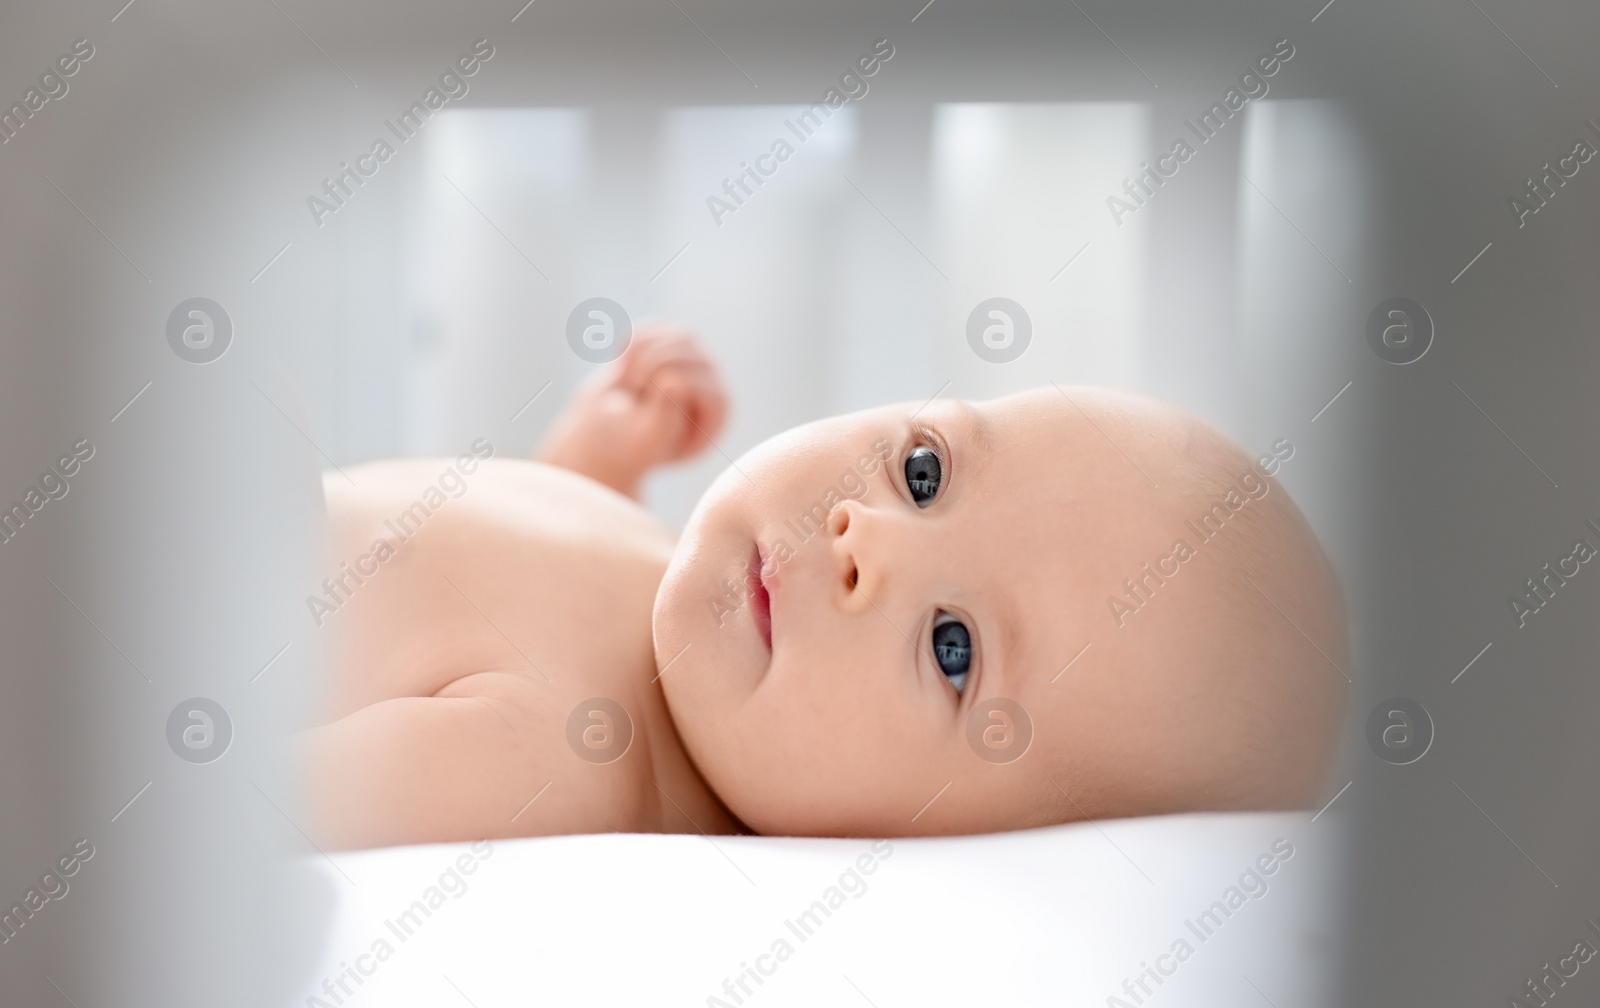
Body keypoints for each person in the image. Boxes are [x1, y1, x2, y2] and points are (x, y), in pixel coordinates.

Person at [303, 327, 1346, 848]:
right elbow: (499, 583)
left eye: (953, 647)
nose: (865, 538)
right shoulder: (683, 583)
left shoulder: (557, 763)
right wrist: (592, 466)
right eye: (922, 472)